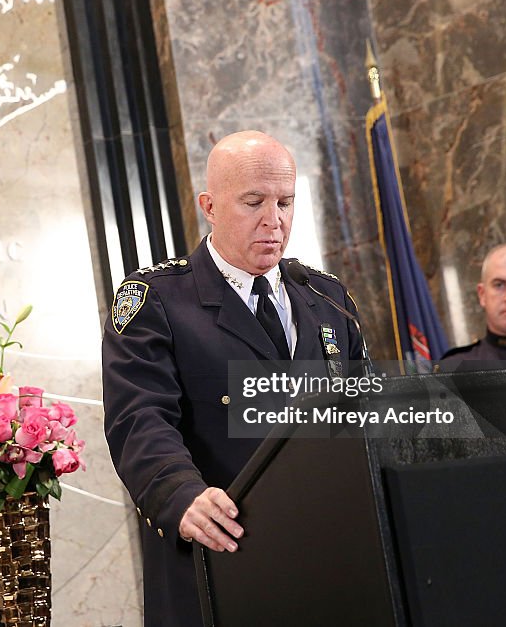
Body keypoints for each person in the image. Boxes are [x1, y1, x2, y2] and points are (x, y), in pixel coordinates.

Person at [101, 131, 367, 626]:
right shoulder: (156, 300)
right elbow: (140, 418)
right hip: (220, 554)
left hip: (329, 563)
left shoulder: (326, 298)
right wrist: (180, 494)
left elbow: (363, 415)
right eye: (253, 201)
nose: (275, 220)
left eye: (286, 202)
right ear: (210, 205)